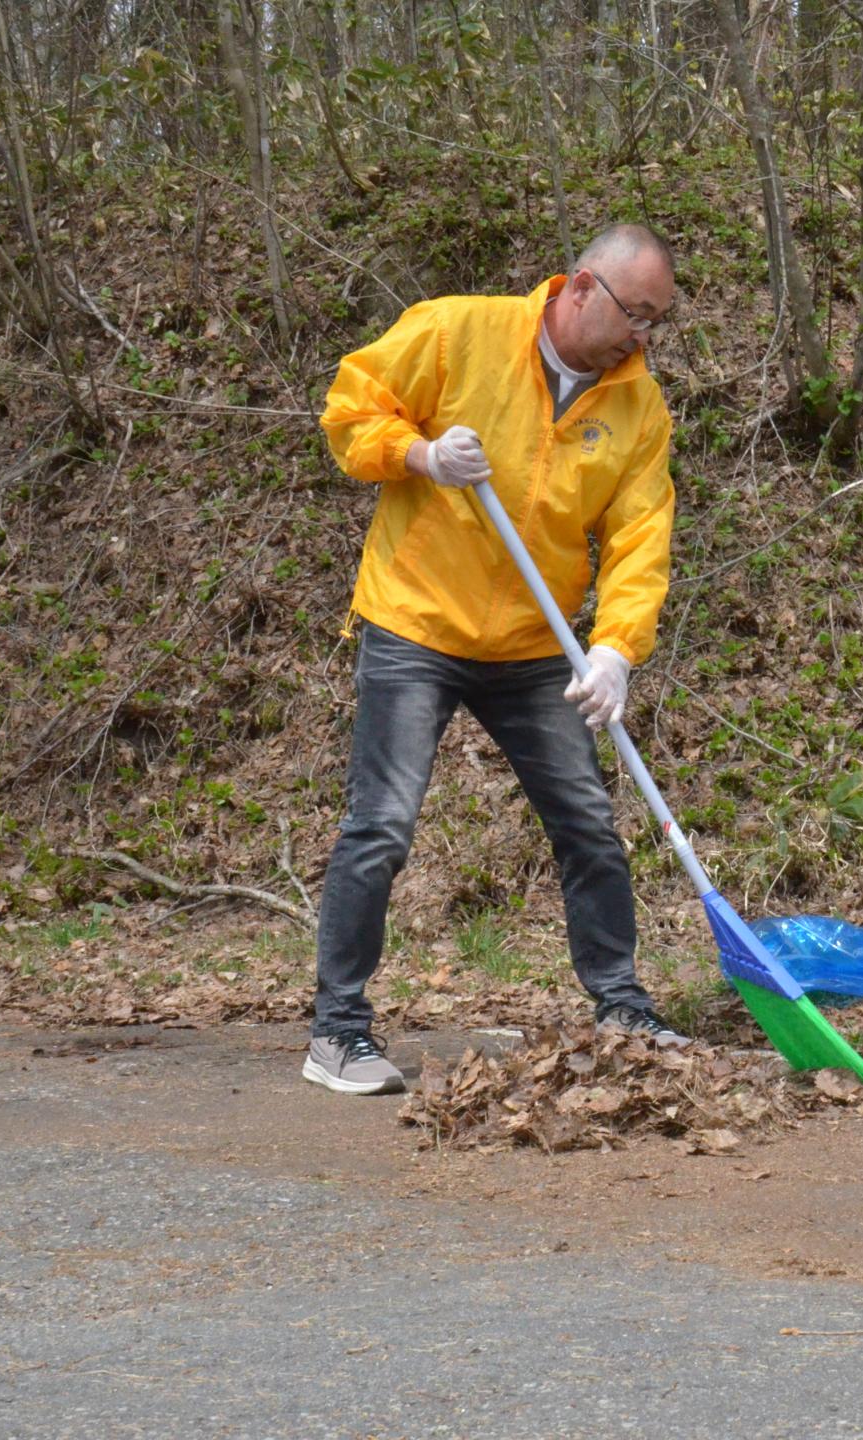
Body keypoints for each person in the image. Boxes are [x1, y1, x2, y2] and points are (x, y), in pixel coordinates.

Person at [302, 223, 687, 1096]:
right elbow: (350, 410)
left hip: (529, 646)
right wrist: (418, 454)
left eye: (658, 321)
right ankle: (338, 1033)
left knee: (588, 822)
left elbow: (639, 537)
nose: (644, 336)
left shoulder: (638, 407)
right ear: (582, 289)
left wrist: (616, 649)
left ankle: (622, 1004)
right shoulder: (456, 331)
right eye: (636, 314)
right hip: (417, 624)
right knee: (382, 825)